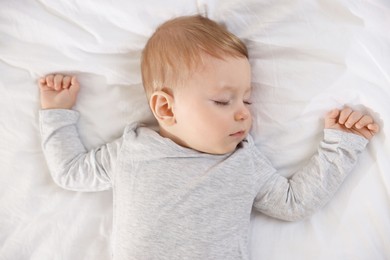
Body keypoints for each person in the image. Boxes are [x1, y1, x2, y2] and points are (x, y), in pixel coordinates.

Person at [38, 15, 379, 260]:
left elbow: (294, 203)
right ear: (166, 109)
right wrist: (57, 114)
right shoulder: (133, 151)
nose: (244, 113)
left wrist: (341, 145)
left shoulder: (242, 162)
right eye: (222, 100)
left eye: (247, 99)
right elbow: (70, 171)